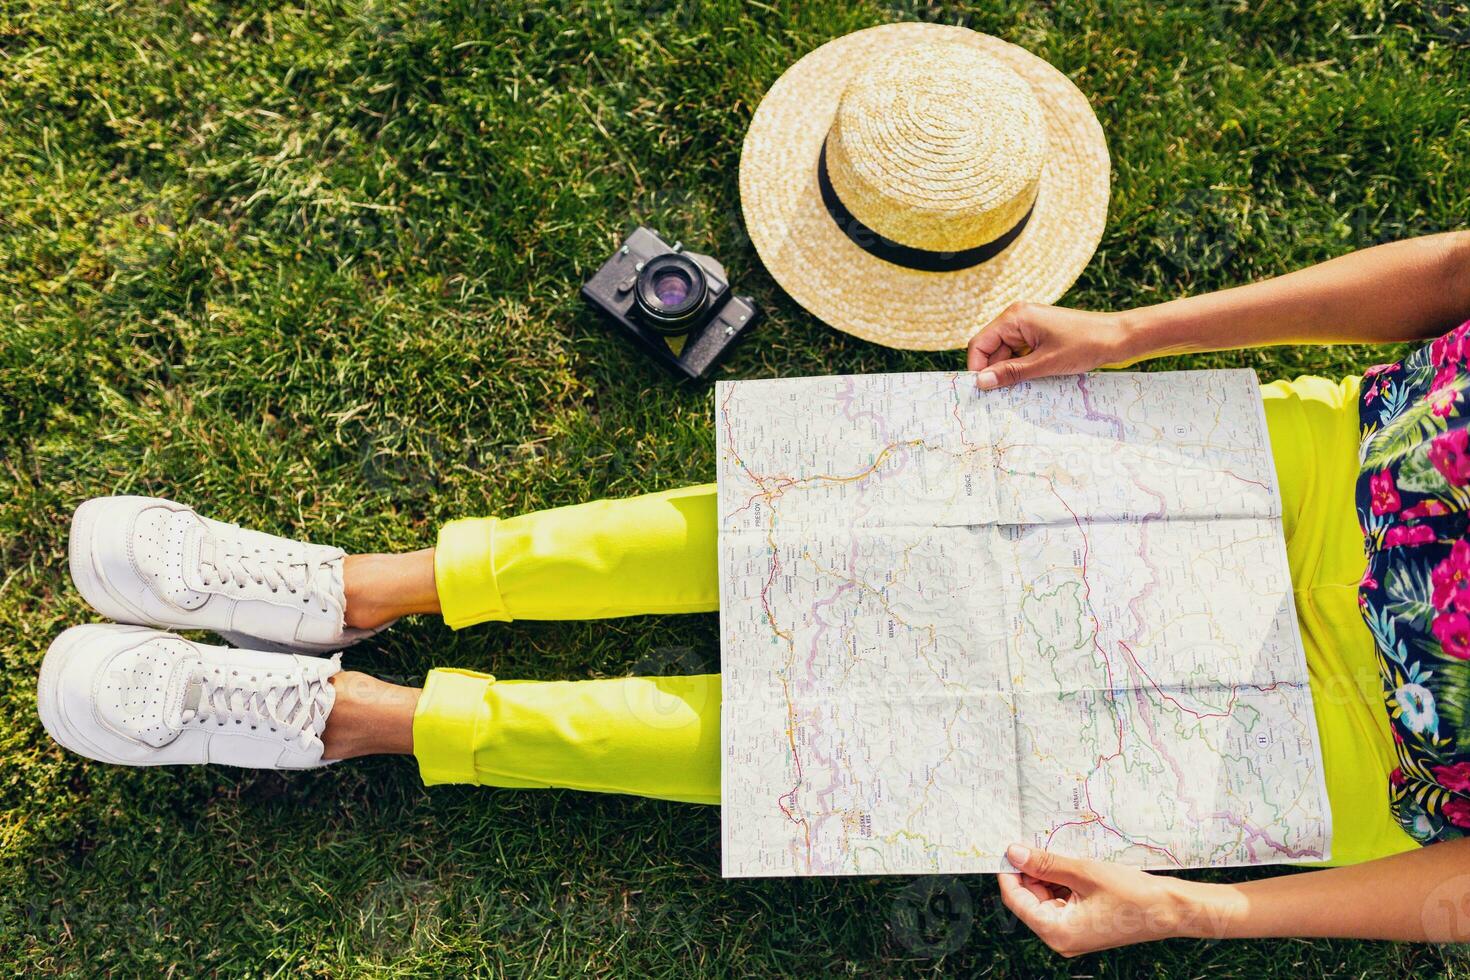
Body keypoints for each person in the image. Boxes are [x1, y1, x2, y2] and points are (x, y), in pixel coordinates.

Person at [36, 232, 1470, 953]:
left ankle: (357, 716)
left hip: (1373, 739)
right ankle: (367, 584)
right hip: (1308, 458)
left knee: (858, 747)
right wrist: (1137, 332)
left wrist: (1200, 913)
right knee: (829, 511)